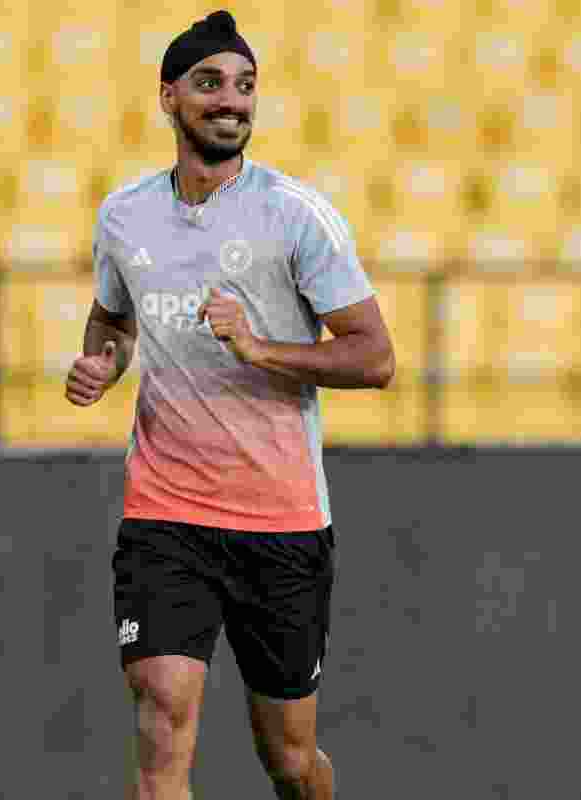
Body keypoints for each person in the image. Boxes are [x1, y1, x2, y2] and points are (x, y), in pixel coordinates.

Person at [63, 11, 395, 799]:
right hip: (165, 513)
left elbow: (375, 358)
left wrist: (262, 349)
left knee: (288, 760)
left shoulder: (296, 215)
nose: (231, 101)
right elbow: (113, 315)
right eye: (210, 83)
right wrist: (103, 364)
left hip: (280, 523)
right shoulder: (124, 214)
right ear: (169, 97)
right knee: (164, 707)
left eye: (245, 86)